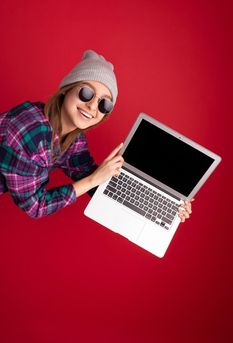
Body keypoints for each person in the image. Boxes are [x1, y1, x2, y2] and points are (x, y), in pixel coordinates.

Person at [0, 49, 193, 221]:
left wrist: (167, 202)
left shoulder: (73, 138)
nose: (92, 107)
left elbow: (92, 179)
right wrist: (93, 180)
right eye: (86, 93)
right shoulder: (30, 131)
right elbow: (36, 207)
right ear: (67, 89)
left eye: (104, 104)